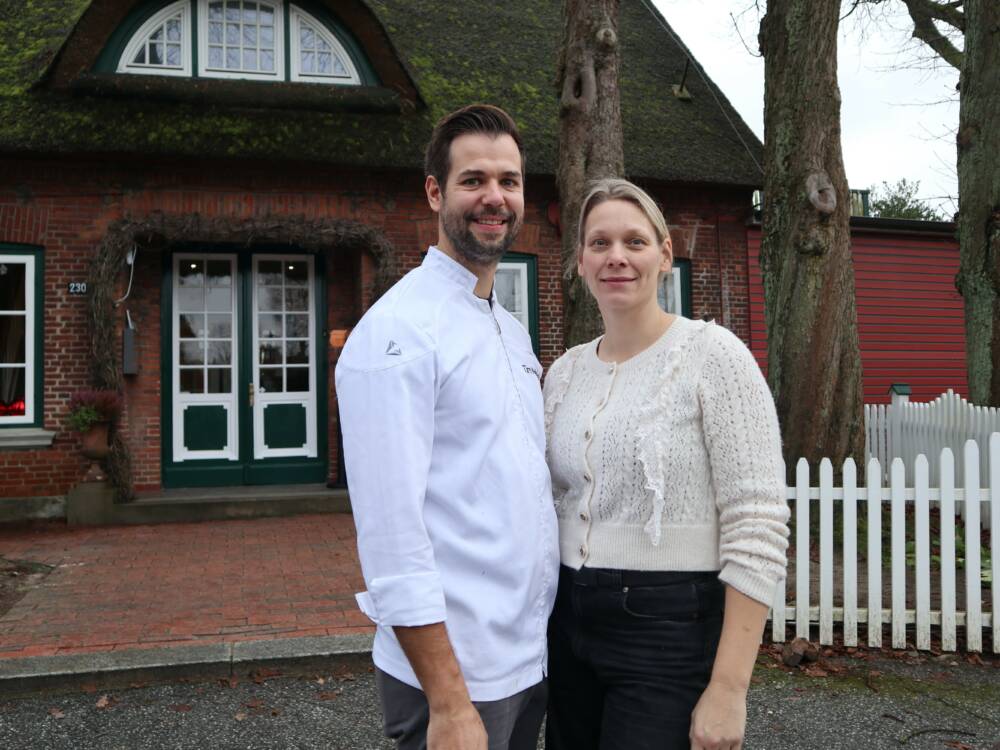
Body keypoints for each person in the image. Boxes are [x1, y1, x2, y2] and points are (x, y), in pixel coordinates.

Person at [335, 104, 559, 750]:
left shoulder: (508, 329)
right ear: (435, 192)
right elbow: (391, 538)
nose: (495, 197)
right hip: (457, 676)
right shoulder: (397, 333)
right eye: (474, 180)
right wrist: (449, 701)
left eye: (510, 181)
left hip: (524, 656)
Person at [542, 178, 790, 750]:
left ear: (665, 253)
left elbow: (758, 523)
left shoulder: (713, 356)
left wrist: (729, 689)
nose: (617, 257)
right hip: (567, 618)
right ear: (580, 261)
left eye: (634, 241)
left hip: (669, 628)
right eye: (599, 243)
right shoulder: (565, 373)